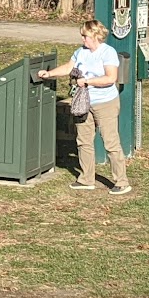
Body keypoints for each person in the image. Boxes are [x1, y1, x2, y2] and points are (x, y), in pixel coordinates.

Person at [36, 20, 130, 194]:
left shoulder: (108, 52)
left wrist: (87, 81)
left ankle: (122, 182)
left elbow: (111, 78)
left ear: (95, 36)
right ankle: (87, 179)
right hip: (83, 103)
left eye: (85, 36)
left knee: (110, 142)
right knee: (83, 141)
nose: (82, 39)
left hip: (105, 103)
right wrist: (49, 74)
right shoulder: (80, 52)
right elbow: (68, 67)